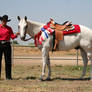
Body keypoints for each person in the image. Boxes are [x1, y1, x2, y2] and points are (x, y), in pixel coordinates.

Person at [0, 15, 19, 80]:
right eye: (3, 21)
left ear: (6, 22)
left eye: (5, 21)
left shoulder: (9, 28)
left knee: (8, 61)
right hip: (0, 44)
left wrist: (16, 35)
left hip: (7, 45)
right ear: (1, 21)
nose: (4, 22)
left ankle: (8, 77)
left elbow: (12, 37)